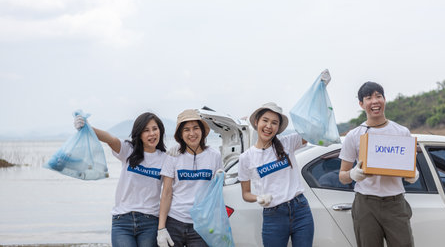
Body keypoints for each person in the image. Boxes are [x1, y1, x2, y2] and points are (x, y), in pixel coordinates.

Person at [338, 81, 419, 247]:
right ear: (362, 104)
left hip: (395, 203)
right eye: (369, 98)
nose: (375, 101)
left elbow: (411, 167)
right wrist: (353, 174)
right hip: (365, 204)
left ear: (384, 100)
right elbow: (342, 176)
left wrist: (412, 175)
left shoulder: (402, 132)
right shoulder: (354, 136)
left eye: (378, 96)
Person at [74, 112, 167, 247]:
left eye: (155, 129)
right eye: (146, 130)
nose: (152, 134)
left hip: (150, 222)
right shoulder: (129, 150)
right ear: (139, 134)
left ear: (160, 130)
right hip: (122, 221)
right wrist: (88, 128)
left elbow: (169, 192)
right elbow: (110, 139)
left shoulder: (166, 159)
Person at [238, 102, 314, 247]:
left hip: (300, 210)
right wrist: (258, 198)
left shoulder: (288, 142)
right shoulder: (246, 158)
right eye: (265, 120)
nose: (268, 126)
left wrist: (318, 91)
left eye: (274, 123)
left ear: (278, 128)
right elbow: (246, 194)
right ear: (256, 122)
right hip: (273, 216)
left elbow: (312, 131)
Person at [157, 109, 223, 247]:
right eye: (186, 129)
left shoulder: (214, 156)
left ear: (202, 131)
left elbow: (216, 194)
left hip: (201, 224)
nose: (192, 133)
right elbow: (166, 192)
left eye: (195, 128)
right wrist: (161, 228)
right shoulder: (173, 156)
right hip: (174, 221)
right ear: (181, 134)